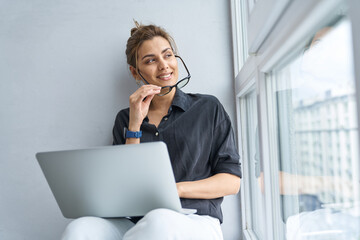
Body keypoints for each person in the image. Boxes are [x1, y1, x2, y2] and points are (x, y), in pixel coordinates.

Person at [61, 21, 242, 240]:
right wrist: (135, 125)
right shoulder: (125, 119)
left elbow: (232, 181)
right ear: (135, 72)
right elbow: (124, 184)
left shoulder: (208, 108)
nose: (164, 65)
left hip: (195, 220)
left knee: (160, 221)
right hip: (136, 222)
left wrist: (175, 190)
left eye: (167, 55)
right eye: (151, 60)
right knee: (80, 229)